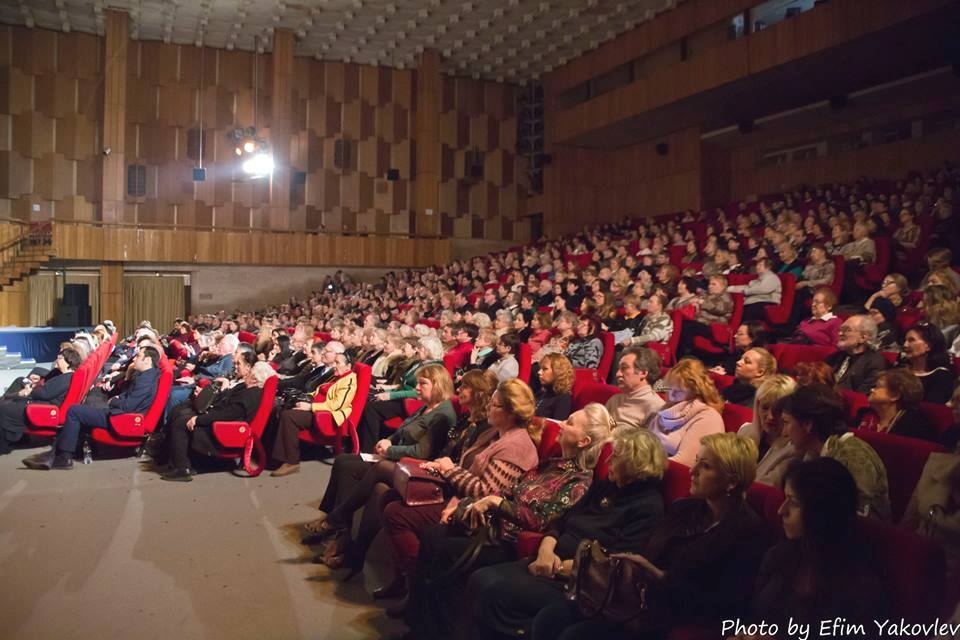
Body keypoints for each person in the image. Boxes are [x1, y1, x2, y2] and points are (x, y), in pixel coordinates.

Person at [404, 403, 613, 639]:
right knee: (433, 535)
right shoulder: (552, 463)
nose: (561, 424)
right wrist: (467, 505)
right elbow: (512, 490)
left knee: (445, 550)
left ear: (584, 441)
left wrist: (495, 504)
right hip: (491, 526)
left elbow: (541, 520)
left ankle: (436, 631)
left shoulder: (579, 481)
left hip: (510, 540)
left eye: (570, 422)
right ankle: (418, 623)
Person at [530, 433, 766, 640]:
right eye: (696, 462)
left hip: (668, 616)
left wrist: (660, 577)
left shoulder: (747, 533)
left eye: (705, 467)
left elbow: (725, 605)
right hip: (633, 600)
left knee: (574, 635)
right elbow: (647, 551)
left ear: (732, 482)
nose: (692, 472)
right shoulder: (685, 508)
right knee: (550, 617)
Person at [468, 427, 667, 640]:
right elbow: (561, 520)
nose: (608, 460)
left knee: (496, 595)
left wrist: (558, 567)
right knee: (480, 579)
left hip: (578, 582)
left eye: (616, 456)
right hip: (550, 559)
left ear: (635, 465)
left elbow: (616, 563)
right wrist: (546, 550)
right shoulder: (605, 486)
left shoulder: (648, 506)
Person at [379, 379, 540, 613]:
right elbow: (470, 469)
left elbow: (486, 492)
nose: (488, 409)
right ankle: (405, 582)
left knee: (396, 514)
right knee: (390, 497)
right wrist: (445, 467)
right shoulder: (497, 433)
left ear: (510, 412)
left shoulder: (516, 446)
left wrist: (449, 470)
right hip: (459, 495)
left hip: (479, 515)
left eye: (494, 405)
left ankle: (415, 589)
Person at [304, 364, 457, 570]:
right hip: (395, 457)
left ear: (438, 385)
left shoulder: (442, 414)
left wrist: (389, 451)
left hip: (409, 467)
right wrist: (387, 440)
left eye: (423, 384)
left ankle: (339, 527)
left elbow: (423, 452)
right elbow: (403, 430)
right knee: (343, 462)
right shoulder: (427, 406)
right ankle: (342, 530)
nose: (417, 388)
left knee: (355, 471)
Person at [742, 458, 889, 636]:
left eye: (794, 502)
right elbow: (754, 616)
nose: (781, 510)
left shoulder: (860, 587)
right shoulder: (779, 555)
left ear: (822, 512)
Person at [23, 345, 161, 471]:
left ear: (147, 360)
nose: (134, 359)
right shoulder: (148, 376)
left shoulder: (146, 380)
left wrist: (114, 401)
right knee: (83, 409)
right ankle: (58, 453)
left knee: (74, 411)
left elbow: (127, 405)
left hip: (122, 418)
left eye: (138, 356)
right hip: (121, 414)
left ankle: (64, 457)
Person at [778, 384, 892, 520]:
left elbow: (856, 519)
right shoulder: (812, 452)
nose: (783, 433)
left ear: (807, 425)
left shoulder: (853, 457)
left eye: (786, 423)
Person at [160, 352, 274, 481]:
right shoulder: (247, 389)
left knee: (181, 423)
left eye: (250, 373)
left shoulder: (250, 395)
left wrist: (199, 419)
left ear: (254, 379)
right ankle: (175, 461)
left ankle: (182, 469)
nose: (247, 374)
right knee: (181, 414)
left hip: (225, 428)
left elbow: (228, 415)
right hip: (222, 420)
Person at [270, 352, 359, 477]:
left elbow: (337, 405)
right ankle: (276, 456)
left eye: (338, 363)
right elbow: (318, 392)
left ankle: (292, 461)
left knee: (289, 416)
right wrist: (304, 399)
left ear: (348, 367)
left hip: (326, 417)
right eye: (334, 362)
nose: (334, 366)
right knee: (281, 409)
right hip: (317, 409)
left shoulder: (349, 381)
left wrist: (310, 407)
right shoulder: (337, 376)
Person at [0, 347, 82, 454]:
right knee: (10, 400)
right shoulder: (64, 376)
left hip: (44, 408)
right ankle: (19, 438)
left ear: (68, 362)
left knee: (4, 408)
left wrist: (30, 389)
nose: (57, 359)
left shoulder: (65, 378)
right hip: (44, 403)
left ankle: (5, 445)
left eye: (60, 358)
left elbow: (43, 394)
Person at [645, 358, 724, 467]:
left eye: (679, 390)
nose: (672, 394)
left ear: (697, 390)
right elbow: (644, 441)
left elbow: (686, 462)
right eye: (670, 387)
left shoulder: (708, 417)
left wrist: (643, 465)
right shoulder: (666, 409)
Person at [738, 375, 800, 487]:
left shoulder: (793, 450)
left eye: (778, 410)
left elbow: (763, 489)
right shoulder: (745, 431)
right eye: (765, 408)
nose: (771, 416)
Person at [856, 368, 937, 442]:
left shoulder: (915, 427)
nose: (872, 390)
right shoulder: (862, 414)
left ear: (895, 396)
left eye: (878, 387)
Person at [605, 346, 665, 429]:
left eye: (624, 368)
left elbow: (650, 442)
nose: (618, 374)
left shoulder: (655, 407)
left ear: (643, 373)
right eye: (618, 369)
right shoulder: (614, 400)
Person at [826, 315, 887, 394]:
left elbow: (862, 397)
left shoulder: (875, 363)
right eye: (840, 330)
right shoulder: (834, 357)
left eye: (847, 330)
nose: (840, 333)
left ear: (863, 337)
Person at [677, 275, 734, 357]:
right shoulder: (705, 295)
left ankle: (686, 354)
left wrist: (702, 303)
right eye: (710, 284)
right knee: (681, 323)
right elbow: (682, 305)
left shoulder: (725, 296)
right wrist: (691, 302)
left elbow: (721, 309)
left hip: (714, 325)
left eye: (714, 284)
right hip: (699, 322)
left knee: (687, 326)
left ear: (723, 286)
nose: (710, 286)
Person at [900, 322, 954, 404]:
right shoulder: (900, 370)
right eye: (905, 340)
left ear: (928, 346)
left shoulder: (941, 377)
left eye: (911, 340)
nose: (905, 345)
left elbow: (931, 408)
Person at [726, 258, 781, 324]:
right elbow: (747, 287)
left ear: (768, 267)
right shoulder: (758, 279)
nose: (757, 267)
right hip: (755, 302)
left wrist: (745, 292)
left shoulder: (771, 277)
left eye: (760, 265)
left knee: (747, 313)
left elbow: (762, 289)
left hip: (765, 302)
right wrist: (731, 288)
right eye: (757, 265)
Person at [534, 353, 573, 421]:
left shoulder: (563, 398)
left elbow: (556, 427)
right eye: (540, 368)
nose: (539, 372)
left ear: (557, 372)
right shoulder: (542, 391)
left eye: (544, 369)